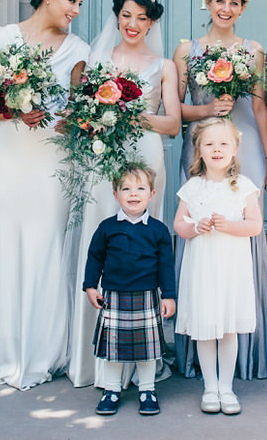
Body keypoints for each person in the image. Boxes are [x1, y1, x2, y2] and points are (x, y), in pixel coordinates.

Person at [0, 0, 91, 390]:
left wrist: (70, 121)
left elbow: (80, 110)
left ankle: (42, 352)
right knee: (7, 248)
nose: (76, 9)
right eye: (71, 0)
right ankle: (6, 351)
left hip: (51, 163)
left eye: (80, 3)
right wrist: (13, 111)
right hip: (7, 158)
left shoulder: (78, 48)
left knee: (45, 250)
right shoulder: (2, 38)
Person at [65, 0, 181, 388]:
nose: (133, 24)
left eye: (142, 18)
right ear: (117, 16)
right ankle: (95, 358)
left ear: (152, 23)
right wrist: (102, 111)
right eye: (127, 15)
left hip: (147, 155)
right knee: (106, 242)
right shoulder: (96, 58)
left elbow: (172, 123)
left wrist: (129, 112)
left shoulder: (164, 66)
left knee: (143, 247)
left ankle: (143, 358)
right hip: (104, 159)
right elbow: (80, 113)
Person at [172, 0, 267, 380]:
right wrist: (209, 109)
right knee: (199, 231)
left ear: (243, 8)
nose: (226, 9)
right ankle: (195, 354)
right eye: (219, 0)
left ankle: (244, 357)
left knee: (238, 232)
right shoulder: (187, 51)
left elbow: (261, 108)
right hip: (200, 147)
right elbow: (175, 109)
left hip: (244, 145)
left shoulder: (254, 51)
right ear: (208, 3)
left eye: (234, 3)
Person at [173, 117, 263, 415]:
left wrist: (229, 226)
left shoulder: (244, 186)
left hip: (230, 270)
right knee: (204, 327)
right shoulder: (193, 187)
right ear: (198, 150)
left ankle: (227, 387)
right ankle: (209, 387)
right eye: (209, 144)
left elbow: (254, 226)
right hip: (202, 270)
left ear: (235, 148)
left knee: (227, 330)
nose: (216, 149)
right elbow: (179, 226)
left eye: (223, 143)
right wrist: (196, 226)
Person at [83, 164, 177, 416]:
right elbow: (95, 258)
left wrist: (169, 295)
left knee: (147, 350)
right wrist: (90, 286)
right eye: (126, 188)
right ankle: (111, 390)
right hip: (113, 296)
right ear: (116, 194)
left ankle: (147, 390)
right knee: (114, 349)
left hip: (147, 297)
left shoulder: (158, 230)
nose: (133, 194)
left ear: (151, 194)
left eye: (140, 188)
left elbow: (166, 265)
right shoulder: (107, 228)